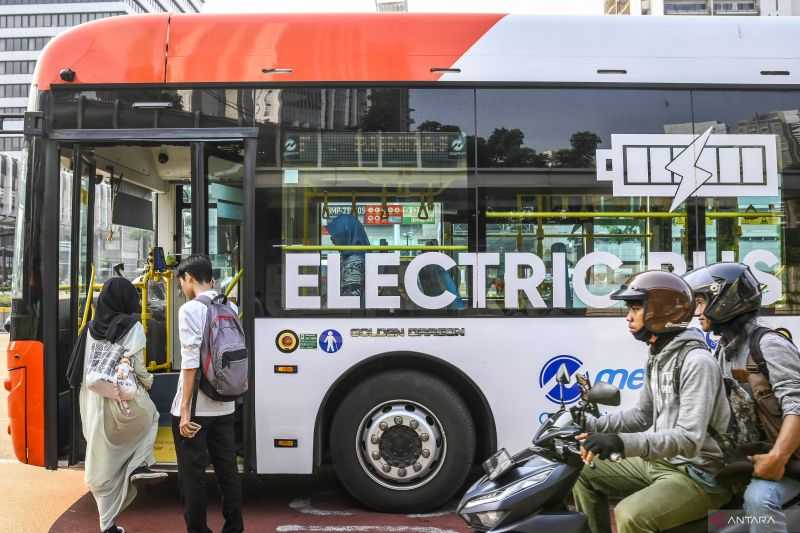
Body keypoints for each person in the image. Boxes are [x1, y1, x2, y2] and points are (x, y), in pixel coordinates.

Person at [572, 270, 732, 533]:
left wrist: (621, 443)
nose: (628, 316)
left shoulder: (697, 362)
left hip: (698, 475)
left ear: (662, 311)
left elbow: (689, 440)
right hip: (661, 463)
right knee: (582, 469)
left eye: (635, 308)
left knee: (630, 514)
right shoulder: (658, 355)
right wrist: (590, 424)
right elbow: (641, 416)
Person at [684, 262, 800, 533]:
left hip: (788, 461)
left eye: (701, 302)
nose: (697, 312)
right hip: (750, 456)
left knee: (759, 500)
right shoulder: (725, 349)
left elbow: (797, 405)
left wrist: (777, 458)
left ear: (725, 301)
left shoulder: (769, 345)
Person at [79, 277, 166, 533]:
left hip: (93, 400)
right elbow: (137, 368)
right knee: (151, 416)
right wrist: (149, 382)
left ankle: (107, 526)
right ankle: (140, 463)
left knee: (101, 462)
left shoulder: (89, 329)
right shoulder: (133, 327)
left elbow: (84, 369)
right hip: (121, 400)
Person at [171, 254, 243, 533]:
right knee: (228, 471)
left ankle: (199, 530)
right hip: (225, 403)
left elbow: (190, 363)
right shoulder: (231, 307)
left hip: (197, 407)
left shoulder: (190, 310)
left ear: (189, 278)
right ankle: (234, 528)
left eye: (182, 283)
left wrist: (186, 409)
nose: (183, 289)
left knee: (193, 476)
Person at [327, 214, 369, 297]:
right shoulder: (360, 255)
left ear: (346, 234)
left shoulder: (353, 262)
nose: (332, 240)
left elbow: (350, 298)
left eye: (335, 236)